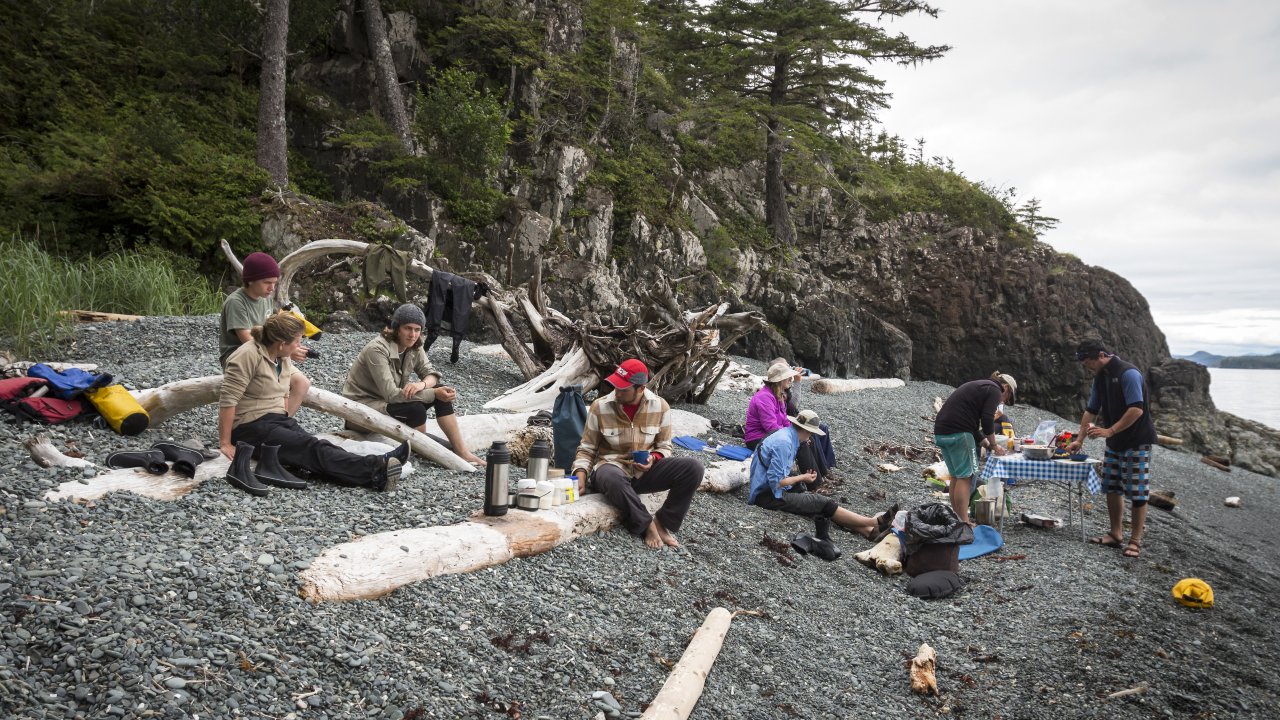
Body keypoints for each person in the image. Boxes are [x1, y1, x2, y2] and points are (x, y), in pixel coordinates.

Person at [218, 314, 405, 496]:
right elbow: (228, 400)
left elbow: (285, 390)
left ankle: (373, 474)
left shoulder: (281, 354)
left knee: (315, 446)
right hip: (249, 426)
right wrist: (226, 443)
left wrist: (284, 420)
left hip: (275, 420)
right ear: (282, 343)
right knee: (309, 447)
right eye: (296, 343)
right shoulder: (246, 356)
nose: (299, 347)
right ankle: (377, 466)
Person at [572, 359, 705, 549]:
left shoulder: (660, 406)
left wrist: (654, 459)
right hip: (610, 471)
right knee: (611, 475)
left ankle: (663, 522)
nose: (617, 392)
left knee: (694, 468)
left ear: (640, 388)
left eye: (623, 389)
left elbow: (665, 447)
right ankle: (647, 524)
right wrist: (581, 475)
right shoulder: (600, 406)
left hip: (643, 473)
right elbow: (587, 448)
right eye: (615, 386)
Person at [342, 303, 483, 466]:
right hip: (362, 410)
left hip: (388, 404)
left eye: (417, 330)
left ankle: (461, 451)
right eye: (408, 328)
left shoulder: (415, 345)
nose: (413, 334)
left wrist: (422, 385)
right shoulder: (377, 349)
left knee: (440, 392)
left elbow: (431, 374)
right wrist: (433, 393)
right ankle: (425, 450)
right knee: (416, 409)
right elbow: (391, 395)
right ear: (396, 328)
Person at [1067, 339, 1158, 558]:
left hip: (1137, 441)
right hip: (1115, 442)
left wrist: (1110, 431)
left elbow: (1136, 409)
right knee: (1112, 486)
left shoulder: (1128, 373)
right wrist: (1079, 440)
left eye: (1086, 361)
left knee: (1137, 491)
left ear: (1100, 355)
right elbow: (1091, 410)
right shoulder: (1100, 377)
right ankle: (1115, 534)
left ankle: (1135, 541)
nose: (1085, 366)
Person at [747, 409, 896, 539]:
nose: (811, 438)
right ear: (806, 431)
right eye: (812, 434)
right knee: (822, 502)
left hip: (769, 491)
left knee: (818, 507)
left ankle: (869, 532)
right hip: (767, 496)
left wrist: (799, 479)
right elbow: (777, 482)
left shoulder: (787, 435)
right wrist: (803, 477)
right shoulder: (784, 443)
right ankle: (873, 522)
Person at [219, 251, 310, 404]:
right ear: (250, 280)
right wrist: (286, 351)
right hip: (241, 359)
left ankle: (283, 422)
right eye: (267, 282)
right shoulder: (236, 302)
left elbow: (275, 331)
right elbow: (248, 340)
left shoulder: (265, 299)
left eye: (274, 283)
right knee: (272, 389)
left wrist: (291, 345)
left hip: (269, 353)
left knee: (302, 384)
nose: (272, 288)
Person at [934, 373, 1018, 525]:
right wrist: (993, 444)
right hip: (959, 434)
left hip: (942, 432)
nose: (1002, 400)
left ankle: (956, 520)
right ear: (1005, 388)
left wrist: (986, 443)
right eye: (1006, 397)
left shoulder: (980, 386)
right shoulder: (994, 390)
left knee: (956, 476)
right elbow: (987, 421)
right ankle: (964, 522)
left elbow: (973, 426)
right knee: (966, 477)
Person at [743, 362, 794, 450]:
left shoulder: (778, 394)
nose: (790, 379)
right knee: (802, 444)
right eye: (787, 377)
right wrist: (792, 436)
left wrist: (795, 433)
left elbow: (785, 421)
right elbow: (771, 427)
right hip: (757, 438)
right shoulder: (765, 397)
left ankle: (820, 464)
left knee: (807, 437)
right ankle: (809, 464)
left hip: (770, 435)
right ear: (780, 380)